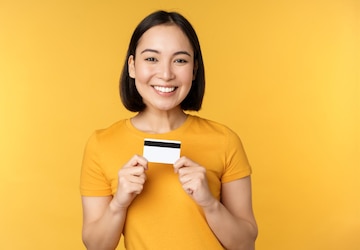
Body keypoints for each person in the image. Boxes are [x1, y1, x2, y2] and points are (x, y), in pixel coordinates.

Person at [80, 10, 257, 250]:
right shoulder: (102, 144)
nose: (165, 74)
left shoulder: (225, 140)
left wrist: (209, 203)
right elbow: (96, 246)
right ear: (132, 66)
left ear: (194, 70)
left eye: (180, 60)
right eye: (152, 59)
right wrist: (118, 204)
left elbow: (245, 245)